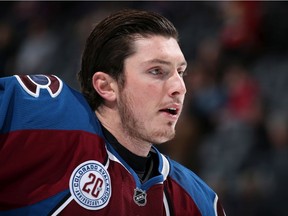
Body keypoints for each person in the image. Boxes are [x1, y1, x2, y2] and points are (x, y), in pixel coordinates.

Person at [0, 9, 226, 215]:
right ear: (106, 86)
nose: (180, 87)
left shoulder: (197, 202)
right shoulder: (44, 117)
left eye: (181, 72)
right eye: (157, 71)